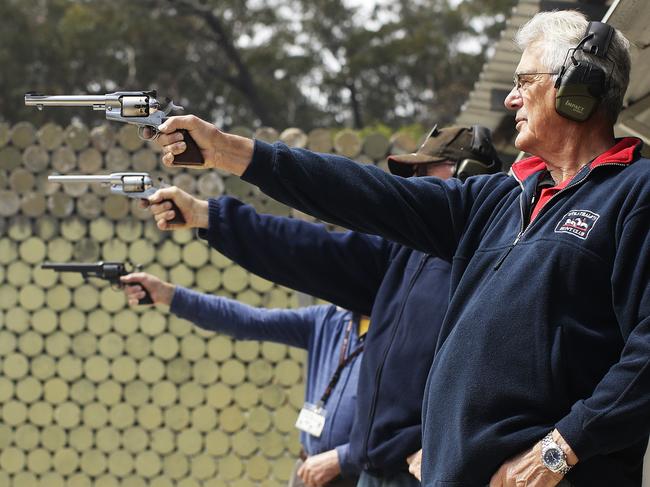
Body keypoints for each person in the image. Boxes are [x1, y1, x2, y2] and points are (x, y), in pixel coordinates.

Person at [147, 9, 649, 486]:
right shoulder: (498, 201)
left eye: (524, 82)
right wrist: (229, 151)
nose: (510, 101)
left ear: (576, 90)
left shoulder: (635, 193)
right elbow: (367, 194)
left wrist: (558, 451)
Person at [142, 124, 502, 486]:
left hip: (426, 471)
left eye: (425, 170)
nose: (414, 181)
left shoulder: (493, 266)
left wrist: (444, 445)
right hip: (376, 471)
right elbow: (311, 249)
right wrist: (210, 217)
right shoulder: (402, 255)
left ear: (467, 175)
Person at [120, 272, 366, 487]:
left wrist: (342, 459)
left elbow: (399, 428)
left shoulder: (395, 333)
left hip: (357, 478)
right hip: (307, 471)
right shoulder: (329, 320)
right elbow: (248, 320)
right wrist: (169, 295)